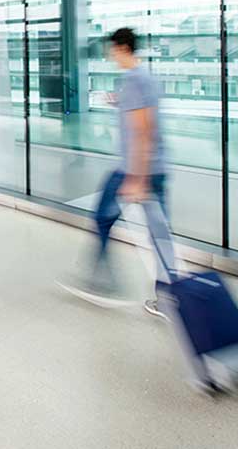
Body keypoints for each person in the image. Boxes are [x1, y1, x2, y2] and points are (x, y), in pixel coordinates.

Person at [71, 27, 168, 317]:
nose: (110, 55)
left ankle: (100, 279)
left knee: (103, 218)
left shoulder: (135, 80)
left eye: (112, 50)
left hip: (135, 169)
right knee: (159, 233)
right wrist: (119, 101)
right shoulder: (144, 78)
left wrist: (136, 179)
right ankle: (166, 295)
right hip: (153, 167)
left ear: (122, 48)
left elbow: (143, 132)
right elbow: (144, 117)